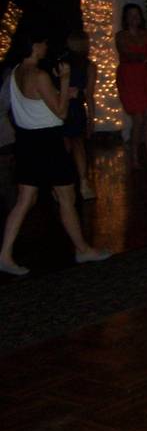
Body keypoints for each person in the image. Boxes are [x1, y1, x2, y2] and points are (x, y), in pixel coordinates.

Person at [0, 30, 110, 276]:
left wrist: (62, 93)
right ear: (34, 45)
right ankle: (82, 249)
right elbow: (60, 113)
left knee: (25, 199)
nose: (46, 47)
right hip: (47, 142)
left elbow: (35, 103)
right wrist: (64, 82)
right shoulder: (38, 75)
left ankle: (4, 254)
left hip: (27, 141)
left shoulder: (17, 71)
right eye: (43, 43)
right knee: (65, 196)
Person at [115, 3, 147, 168]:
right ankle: (135, 157)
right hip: (129, 76)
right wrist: (144, 55)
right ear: (126, 17)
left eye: (137, 15)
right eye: (131, 15)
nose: (134, 18)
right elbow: (127, 54)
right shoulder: (121, 36)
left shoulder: (146, 35)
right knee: (138, 118)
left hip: (145, 75)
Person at [63, 32, 97, 200]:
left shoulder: (61, 63)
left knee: (67, 145)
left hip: (63, 107)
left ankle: (67, 184)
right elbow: (89, 95)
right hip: (74, 108)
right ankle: (82, 183)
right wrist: (91, 118)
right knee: (78, 145)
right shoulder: (88, 65)